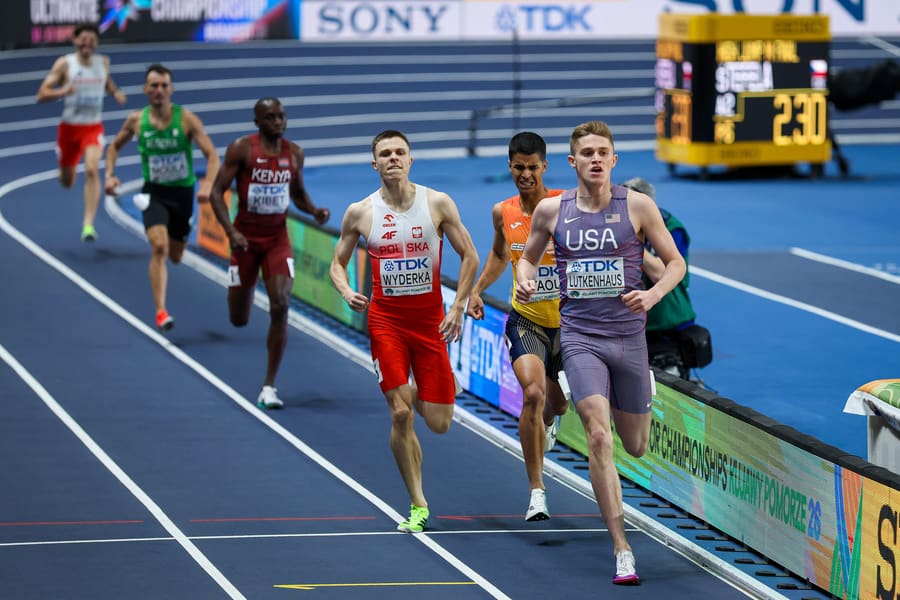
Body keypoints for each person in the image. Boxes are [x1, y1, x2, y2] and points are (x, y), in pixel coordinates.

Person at [515, 121, 685, 585]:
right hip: (580, 337)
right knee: (598, 437)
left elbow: (676, 264)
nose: (594, 159)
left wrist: (651, 297)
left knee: (635, 445)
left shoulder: (639, 206)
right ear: (572, 162)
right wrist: (525, 277)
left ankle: (633, 389)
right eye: (586, 152)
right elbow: (528, 257)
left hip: (630, 340)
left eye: (602, 152)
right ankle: (622, 549)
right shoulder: (552, 211)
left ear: (614, 161)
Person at [329, 130, 479, 533]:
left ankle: (436, 386)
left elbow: (470, 257)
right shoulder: (360, 212)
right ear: (374, 164)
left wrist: (459, 306)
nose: (393, 158)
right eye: (385, 154)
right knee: (399, 413)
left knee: (439, 423)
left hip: (430, 323)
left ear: (411, 160)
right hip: (386, 322)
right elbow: (337, 263)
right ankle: (418, 504)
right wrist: (346, 291)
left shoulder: (437, 204)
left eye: (400, 152)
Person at [466, 131, 568, 522]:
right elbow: (497, 254)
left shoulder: (564, 205)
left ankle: (553, 415)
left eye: (533, 167)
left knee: (556, 403)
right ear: (509, 167)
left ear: (545, 166)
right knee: (531, 394)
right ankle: (537, 490)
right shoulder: (502, 212)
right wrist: (477, 290)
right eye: (518, 168)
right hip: (526, 321)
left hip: (570, 325)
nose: (526, 174)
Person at [208, 98, 330, 409]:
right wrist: (231, 233)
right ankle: (240, 289)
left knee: (281, 303)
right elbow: (215, 193)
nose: (278, 121)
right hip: (244, 242)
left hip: (277, 240)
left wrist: (314, 210)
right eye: (271, 117)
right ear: (258, 122)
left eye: (281, 116)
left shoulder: (294, 154)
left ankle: (269, 386)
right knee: (238, 318)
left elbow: (298, 194)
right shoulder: (242, 150)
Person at [104, 64, 220, 332]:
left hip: (183, 194)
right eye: (154, 86)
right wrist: (110, 174)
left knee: (176, 255)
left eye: (164, 85)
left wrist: (208, 185)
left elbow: (212, 156)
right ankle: (160, 312)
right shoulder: (136, 120)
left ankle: (181, 231)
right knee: (159, 248)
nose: (159, 90)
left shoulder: (187, 119)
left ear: (171, 89)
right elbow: (114, 147)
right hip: (154, 193)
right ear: (145, 90)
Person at [36, 22, 127, 242]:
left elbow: (107, 83)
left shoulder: (103, 62)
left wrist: (115, 92)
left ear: (96, 42)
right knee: (67, 181)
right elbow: (41, 95)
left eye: (91, 39)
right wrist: (63, 90)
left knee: (92, 169)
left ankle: (88, 225)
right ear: (75, 41)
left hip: (93, 127)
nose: (87, 43)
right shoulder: (65, 64)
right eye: (83, 39)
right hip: (69, 129)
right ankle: (63, 160)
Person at [622, 177, 697, 380]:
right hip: (633, 323)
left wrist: (630, 241)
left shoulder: (671, 229)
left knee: (671, 387)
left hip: (667, 320)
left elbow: (661, 273)